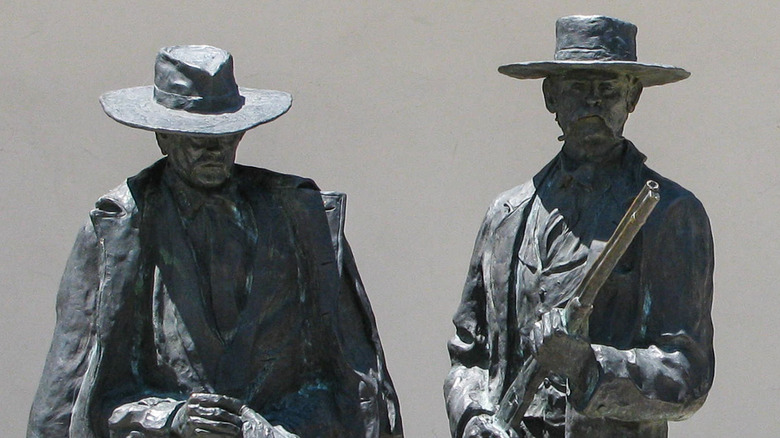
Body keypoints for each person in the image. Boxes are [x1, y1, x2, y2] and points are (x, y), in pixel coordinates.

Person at [28, 45, 402, 438]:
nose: (213, 149)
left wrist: (274, 429)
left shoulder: (302, 222)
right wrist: (170, 421)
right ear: (162, 137)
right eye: (196, 137)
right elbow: (73, 399)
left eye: (225, 135)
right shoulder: (117, 233)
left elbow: (354, 388)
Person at [444, 16, 714, 438]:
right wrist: (474, 417)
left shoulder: (670, 214)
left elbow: (688, 375)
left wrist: (589, 366)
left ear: (633, 97)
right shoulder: (506, 214)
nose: (593, 104)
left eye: (608, 90)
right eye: (577, 88)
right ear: (550, 96)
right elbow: (469, 358)